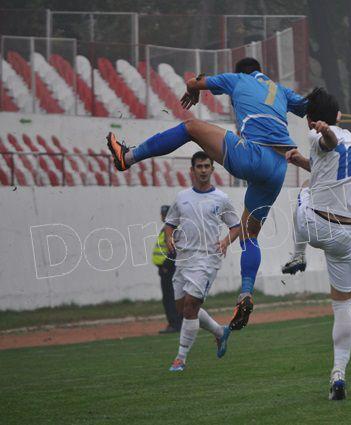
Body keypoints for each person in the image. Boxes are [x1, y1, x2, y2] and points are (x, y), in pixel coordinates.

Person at [106, 57, 308, 331]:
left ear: (243, 72)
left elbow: (193, 82)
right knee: (249, 235)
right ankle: (246, 292)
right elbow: (308, 107)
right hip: (279, 167)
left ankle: (127, 157)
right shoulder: (281, 90)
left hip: (253, 154)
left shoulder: (237, 79)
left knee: (190, 127)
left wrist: (193, 91)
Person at [285, 88, 351, 400]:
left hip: (321, 226)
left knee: (305, 191)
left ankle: (298, 255)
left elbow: (327, 143)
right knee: (342, 305)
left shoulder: (317, 134)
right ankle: (338, 373)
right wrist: (302, 161)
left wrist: (324, 131)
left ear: (310, 120)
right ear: (339, 115)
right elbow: (327, 163)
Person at [165, 151, 242, 372]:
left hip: (207, 259)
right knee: (183, 308)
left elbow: (235, 226)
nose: (203, 170)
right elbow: (170, 223)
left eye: (207, 166)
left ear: (212, 169)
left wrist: (225, 241)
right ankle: (219, 331)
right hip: (184, 259)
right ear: (192, 170)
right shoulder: (181, 197)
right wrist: (169, 238)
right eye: (199, 166)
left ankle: (180, 358)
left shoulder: (221, 198)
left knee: (190, 306)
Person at [152, 204, 182, 334]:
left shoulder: (170, 230)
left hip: (168, 269)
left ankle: (175, 324)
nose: (163, 216)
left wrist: (165, 266)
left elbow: (173, 250)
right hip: (166, 268)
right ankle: (176, 323)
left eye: (164, 214)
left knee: (169, 298)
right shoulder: (167, 228)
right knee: (172, 296)